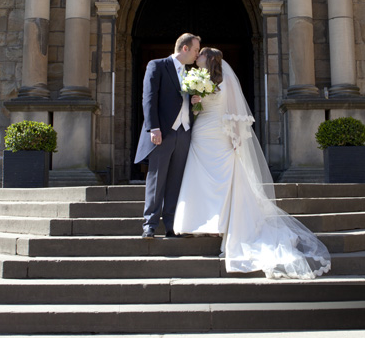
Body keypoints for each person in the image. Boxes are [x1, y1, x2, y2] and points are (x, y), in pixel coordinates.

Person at [173, 47, 331, 279]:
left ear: (211, 58)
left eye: (202, 54)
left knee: (224, 178)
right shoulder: (197, 78)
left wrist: (235, 137)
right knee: (199, 176)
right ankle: (200, 222)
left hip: (218, 132)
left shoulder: (225, 79)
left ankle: (222, 223)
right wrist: (196, 101)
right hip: (201, 131)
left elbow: (234, 111)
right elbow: (196, 109)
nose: (197, 57)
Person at [134, 33, 201, 239]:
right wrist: (153, 128)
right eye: (196, 50)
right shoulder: (158, 65)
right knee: (156, 178)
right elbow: (149, 98)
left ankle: (172, 225)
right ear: (185, 48)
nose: (198, 55)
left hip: (184, 132)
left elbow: (189, 104)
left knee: (176, 181)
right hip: (163, 132)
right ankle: (150, 225)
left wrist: (196, 102)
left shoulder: (192, 74)